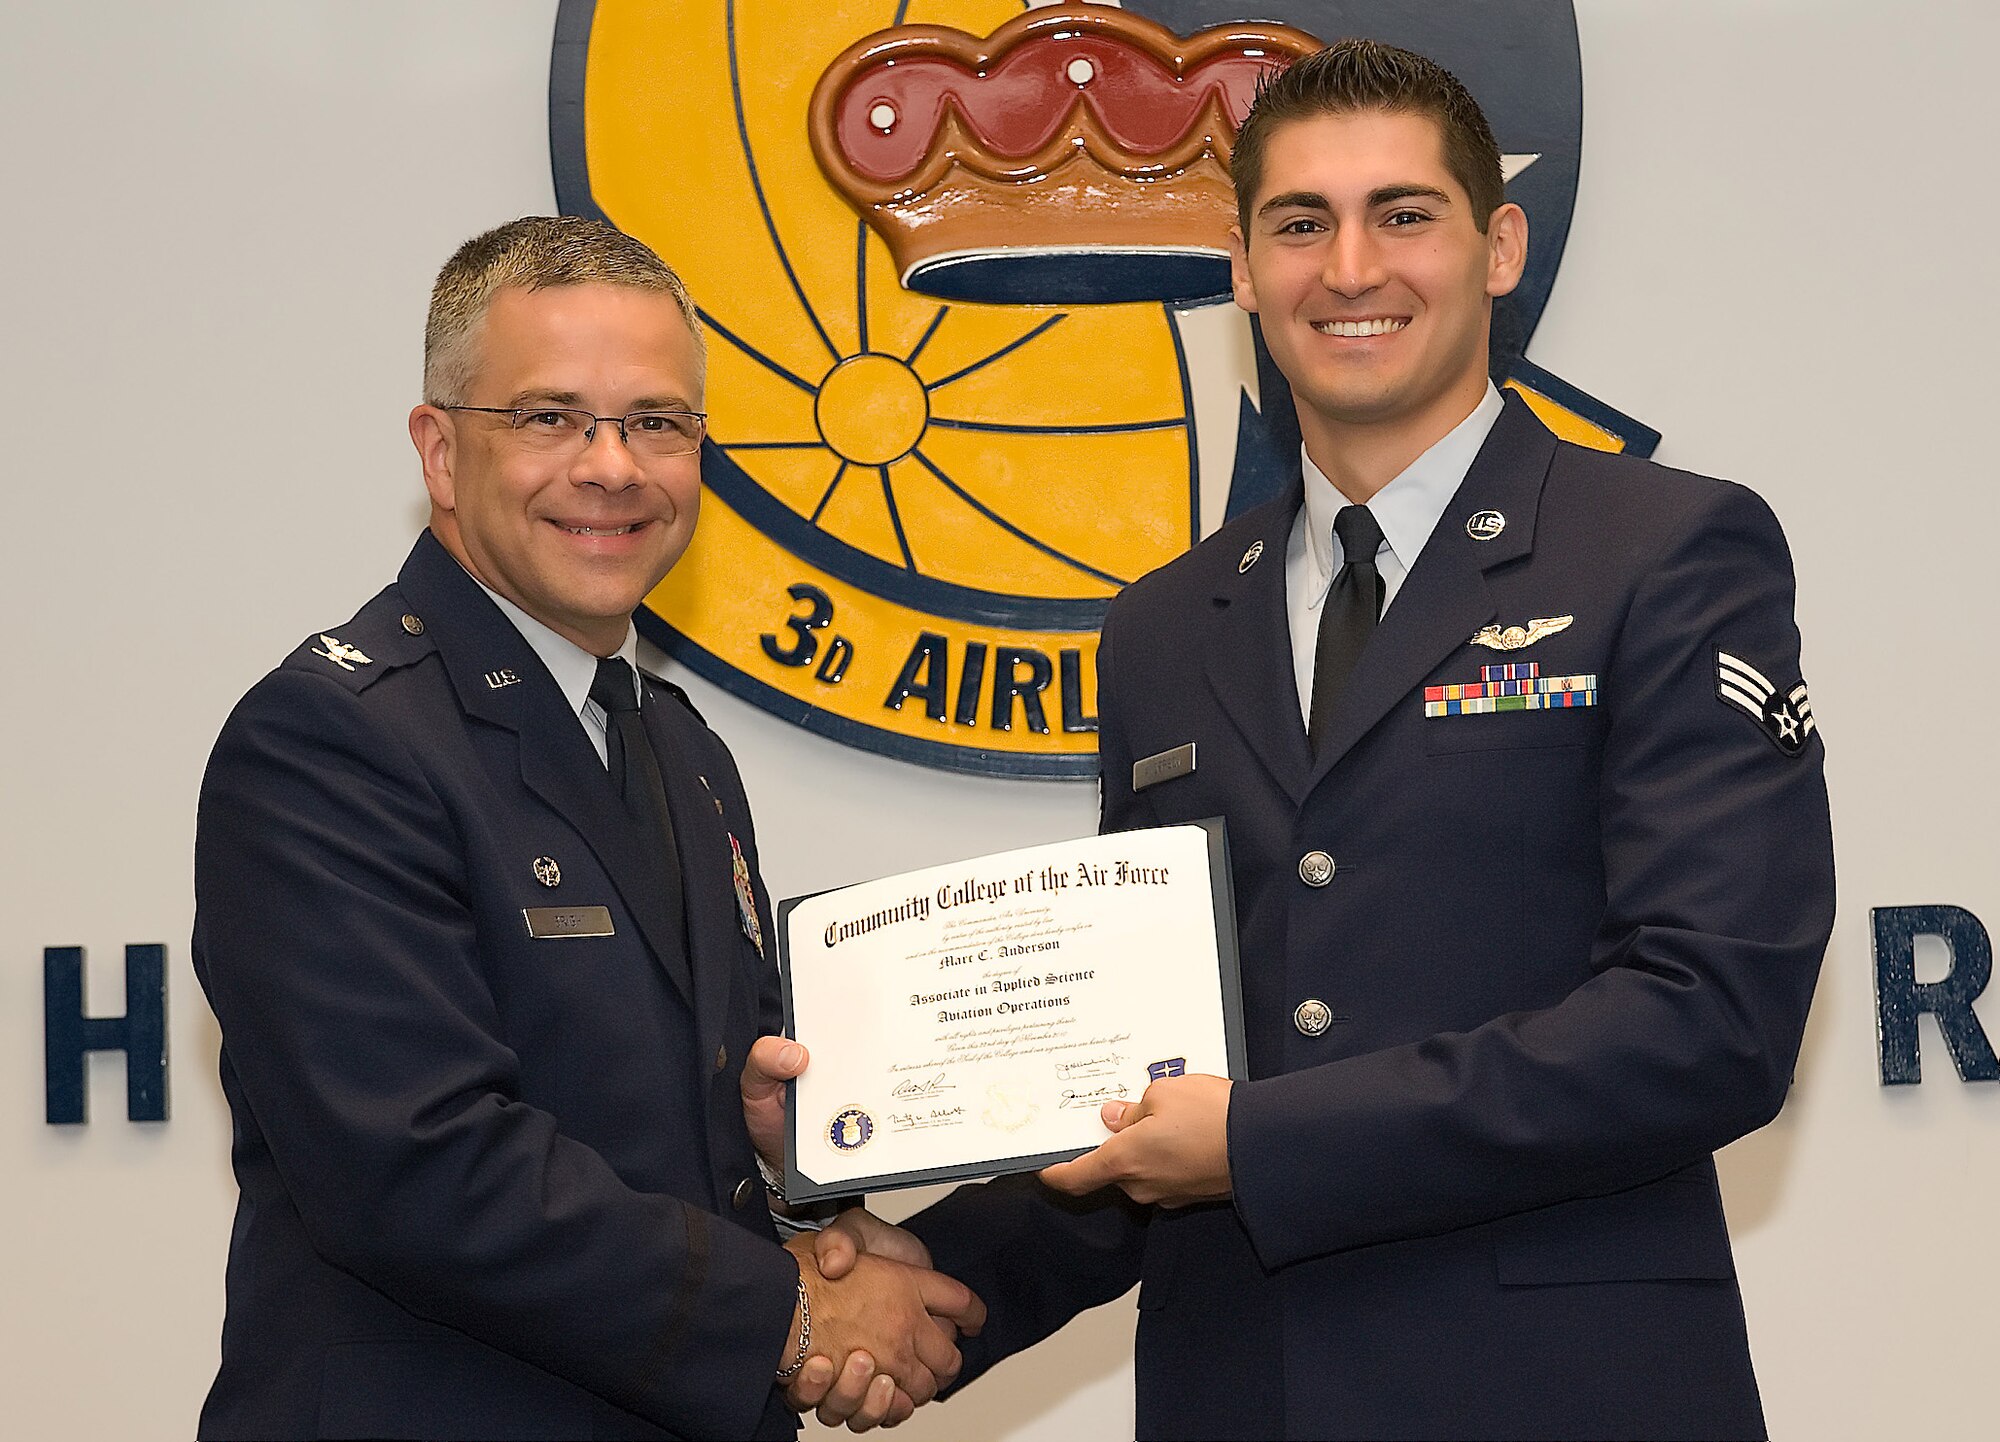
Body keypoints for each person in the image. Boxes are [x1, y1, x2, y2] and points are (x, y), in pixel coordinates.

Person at [757, 38, 1835, 1441]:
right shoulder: (1165, 629)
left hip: (1569, 1390)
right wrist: (927, 1269)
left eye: (1404, 214)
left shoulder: (1668, 552)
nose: (1350, 269)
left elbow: (1712, 1022)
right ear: (1244, 269)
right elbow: (1153, 1071)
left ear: (1499, 245)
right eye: (1299, 224)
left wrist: (1258, 1143)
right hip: (1242, 1389)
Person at [191, 215, 980, 1441]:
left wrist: (782, 1170)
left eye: (657, 422)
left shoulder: (677, 746)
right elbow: (419, 1165)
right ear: (440, 451)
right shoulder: (330, 740)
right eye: (549, 417)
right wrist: (791, 1314)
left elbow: (652, 1128)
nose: (612, 466)